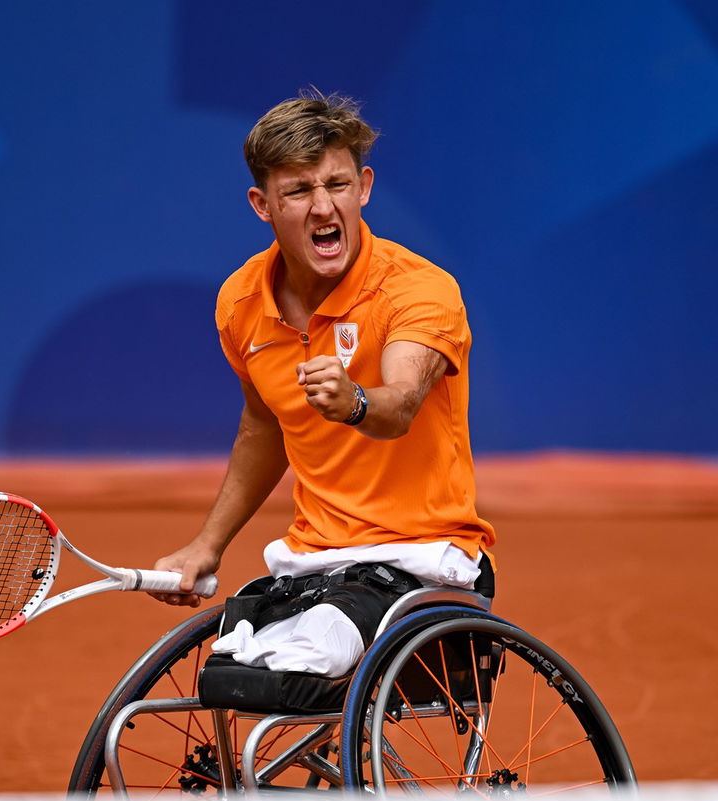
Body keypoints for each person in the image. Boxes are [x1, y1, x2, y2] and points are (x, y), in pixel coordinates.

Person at [150, 90, 494, 678]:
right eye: (298, 191)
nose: (322, 207)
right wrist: (207, 545)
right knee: (229, 670)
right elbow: (263, 427)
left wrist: (355, 402)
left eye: (336, 185)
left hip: (422, 559)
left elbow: (400, 405)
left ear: (364, 187)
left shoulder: (419, 290)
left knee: (305, 660)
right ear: (263, 204)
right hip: (314, 562)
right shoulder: (240, 302)